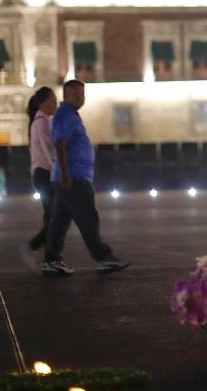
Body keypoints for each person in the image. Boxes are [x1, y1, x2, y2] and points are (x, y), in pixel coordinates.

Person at [42, 80, 129, 276]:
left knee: (60, 221)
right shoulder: (65, 115)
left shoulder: (69, 115)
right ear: (67, 96)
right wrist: (65, 174)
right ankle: (103, 257)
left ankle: (51, 259)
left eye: (83, 94)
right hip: (74, 177)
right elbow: (59, 144)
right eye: (78, 95)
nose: (82, 99)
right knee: (88, 217)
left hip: (70, 177)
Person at [19, 86, 57, 270]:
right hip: (45, 174)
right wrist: (60, 173)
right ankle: (32, 247)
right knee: (56, 217)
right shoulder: (41, 122)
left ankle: (51, 258)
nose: (55, 104)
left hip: (42, 174)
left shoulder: (40, 121)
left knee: (52, 216)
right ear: (42, 103)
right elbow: (48, 149)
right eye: (52, 100)